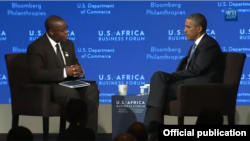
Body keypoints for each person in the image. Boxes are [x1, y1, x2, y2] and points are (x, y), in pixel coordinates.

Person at [144, 13, 225, 140]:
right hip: (188, 83)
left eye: (188, 27)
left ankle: (153, 130)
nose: (184, 30)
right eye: (185, 27)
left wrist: (174, 76)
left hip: (204, 85)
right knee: (158, 79)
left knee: (159, 83)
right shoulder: (195, 46)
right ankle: (154, 127)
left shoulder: (209, 44)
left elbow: (197, 70)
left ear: (199, 28)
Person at [27, 15, 99, 133]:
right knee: (71, 93)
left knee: (92, 88)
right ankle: (75, 135)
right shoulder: (36, 47)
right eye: (62, 30)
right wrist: (65, 72)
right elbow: (36, 74)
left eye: (67, 28)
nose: (67, 32)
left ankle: (89, 134)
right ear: (51, 31)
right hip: (51, 87)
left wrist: (79, 71)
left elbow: (75, 63)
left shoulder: (68, 44)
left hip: (70, 83)